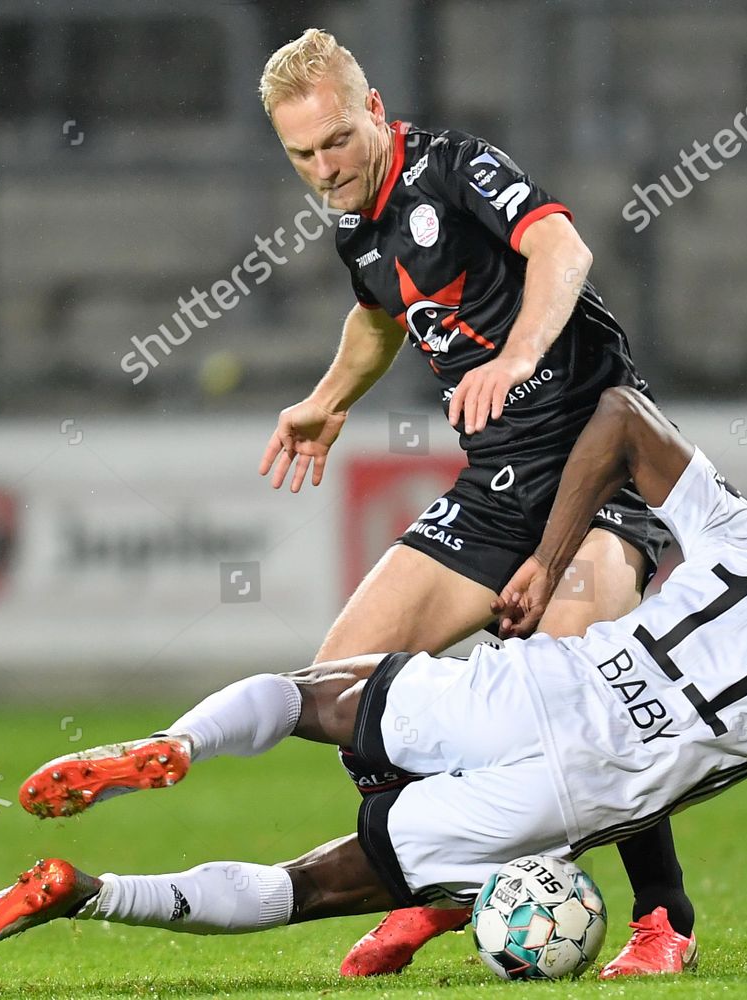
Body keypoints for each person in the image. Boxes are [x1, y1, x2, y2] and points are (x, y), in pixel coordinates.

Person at [0, 387, 747, 974]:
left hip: (539, 683)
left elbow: (620, 415)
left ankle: (176, 748)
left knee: (304, 695)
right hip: (575, 792)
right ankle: (89, 892)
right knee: (308, 887)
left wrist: (544, 554)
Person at [252, 27, 690, 976]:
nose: (325, 168)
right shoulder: (353, 227)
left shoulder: (456, 168)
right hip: (496, 488)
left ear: (373, 110)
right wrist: (328, 402)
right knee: (339, 690)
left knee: (577, 687)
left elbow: (562, 252)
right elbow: (377, 316)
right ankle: (445, 885)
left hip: (600, 463)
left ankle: (664, 918)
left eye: (336, 140)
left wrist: (520, 353)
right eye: (302, 154)